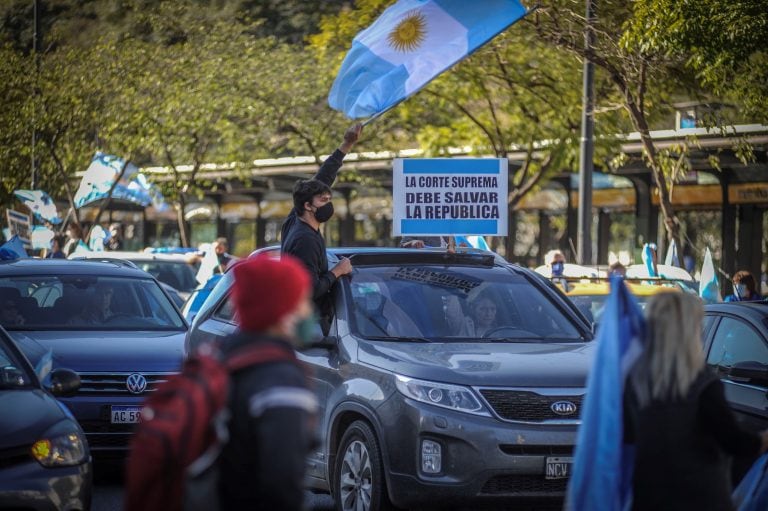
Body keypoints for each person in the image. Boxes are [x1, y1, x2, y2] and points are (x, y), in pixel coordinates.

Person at [623, 292, 768, 511]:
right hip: (701, 499)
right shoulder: (703, 384)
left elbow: (627, 439)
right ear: (689, 331)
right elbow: (735, 442)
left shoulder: (635, 381)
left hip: (648, 498)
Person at [218, 255, 318, 511]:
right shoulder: (281, 381)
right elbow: (281, 487)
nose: (309, 311)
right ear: (283, 312)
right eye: (304, 301)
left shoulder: (222, 356)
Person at [280, 123, 362, 329]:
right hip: (309, 327)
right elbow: (309, 290)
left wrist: (347, 144)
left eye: (328, 198)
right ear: (308, 206)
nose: (328, 204)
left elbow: (324, 176)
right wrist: (338, 271)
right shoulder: (304, 240)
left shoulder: (295, 219)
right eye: (323, 201)